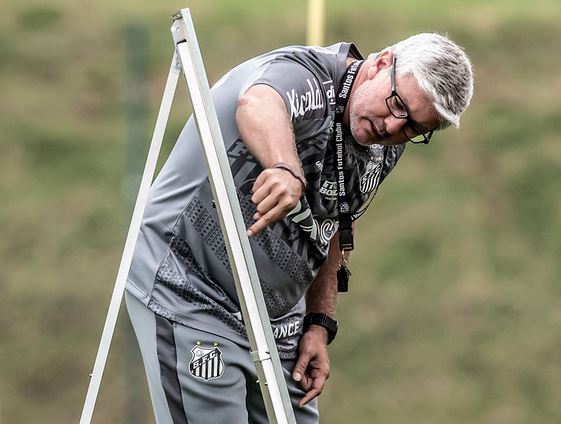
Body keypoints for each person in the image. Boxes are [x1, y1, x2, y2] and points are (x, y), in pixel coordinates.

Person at [125, 32, 473, 423]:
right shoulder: (306, 74)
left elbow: (333, 227)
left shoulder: (385, 144)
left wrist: (319, 323)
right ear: (380, 63)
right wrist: (283, 167)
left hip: (278, 323)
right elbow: (258, 101)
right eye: (397, 105)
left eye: (413, 127)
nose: (393, 128)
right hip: (191, 291)